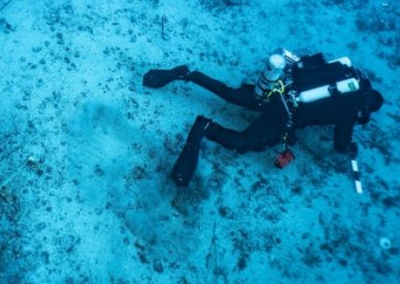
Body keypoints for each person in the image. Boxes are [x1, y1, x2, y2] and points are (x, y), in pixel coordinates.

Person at [143, 49, 384, 187]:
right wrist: (350, 146)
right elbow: (340, 144)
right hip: (285, 111)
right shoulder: (353, 108)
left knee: (231, 95)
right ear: (366, 107)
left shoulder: (344, 73)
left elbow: (307, 64)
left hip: (279, 86)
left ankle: (188, 74)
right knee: (244, 142)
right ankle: (205, 128)